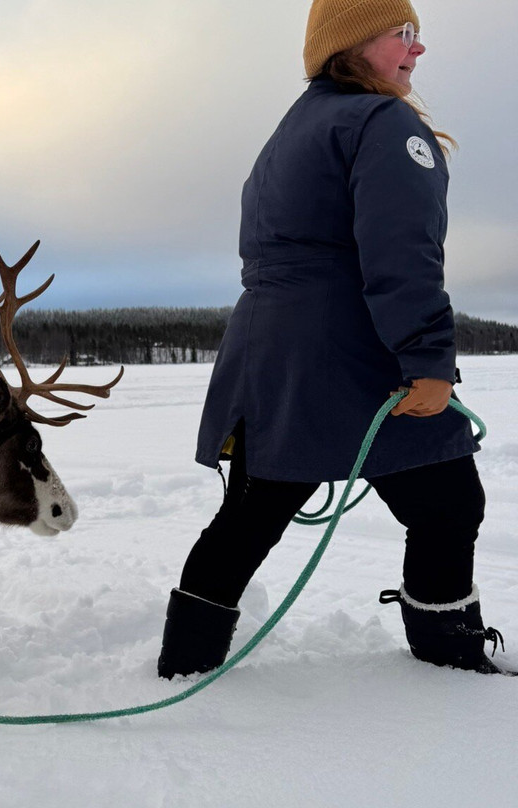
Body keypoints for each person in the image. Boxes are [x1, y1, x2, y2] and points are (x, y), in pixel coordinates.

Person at [157, 0, 513, 679]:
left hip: (271, 358)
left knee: (252, 514)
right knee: (448, 503)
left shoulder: (292, 129)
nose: (418, 49)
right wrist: (429, 359)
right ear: (352, 43)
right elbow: (402, 254)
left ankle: (186, 660)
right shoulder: (381, 122)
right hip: (354, 355)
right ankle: (447, 650)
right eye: (402, 34)